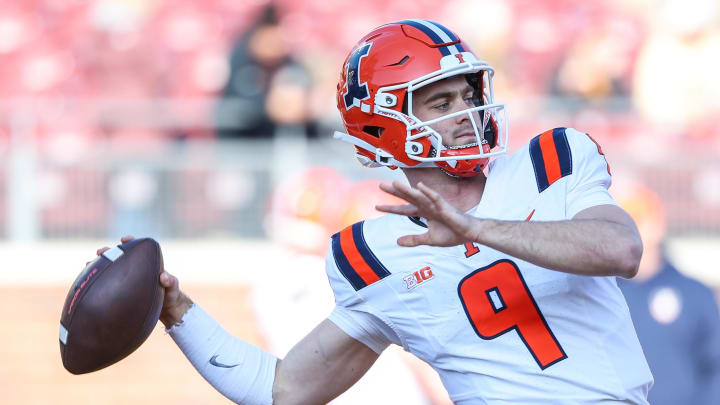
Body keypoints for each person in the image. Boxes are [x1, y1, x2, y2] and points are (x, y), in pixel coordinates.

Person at [100, 20, 652, 404]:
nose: (467, 112)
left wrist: (477, 230)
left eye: (467, 94)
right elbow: (282, 391)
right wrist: (179, 313)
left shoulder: (550, 161)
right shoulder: (372, 254)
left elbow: (620, 250)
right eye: (442, 102)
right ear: (386, 126)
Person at [615, 185, 720, 405]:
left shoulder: (694, 295)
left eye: (638, 221)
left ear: (658, 227)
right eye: (622, 224)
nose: (630, 231)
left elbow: (714, 367)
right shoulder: (603, 294)